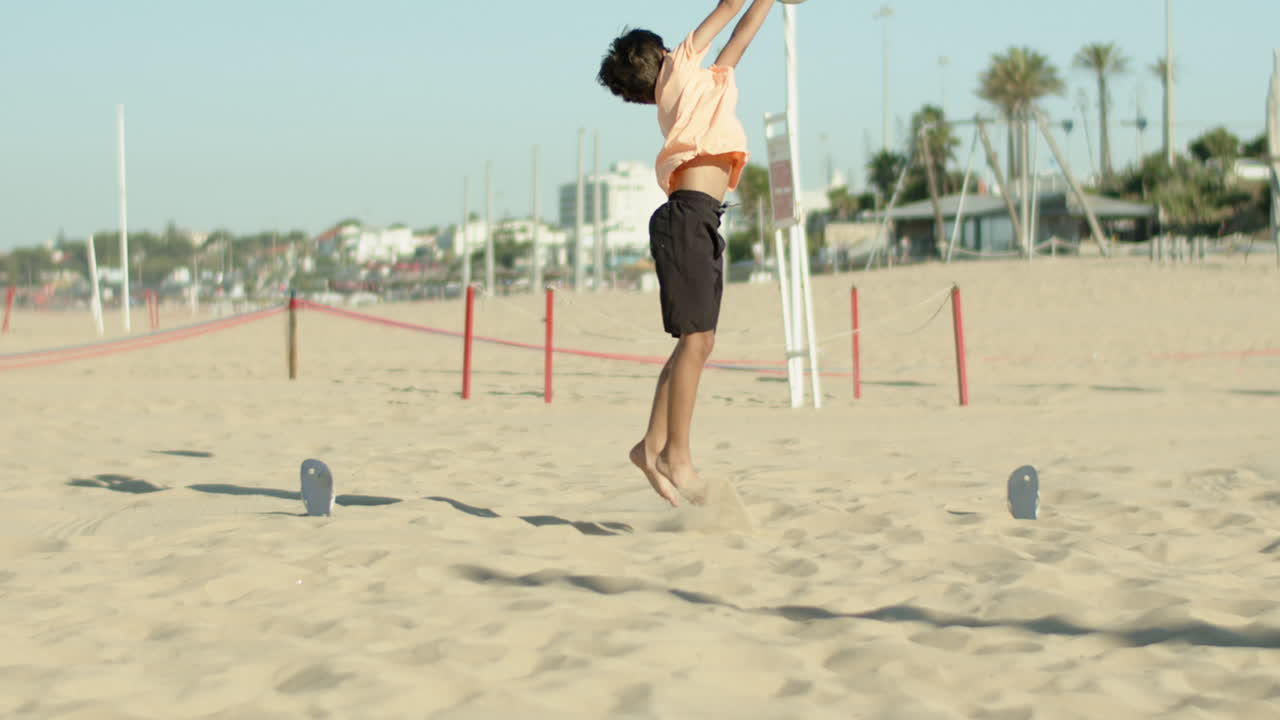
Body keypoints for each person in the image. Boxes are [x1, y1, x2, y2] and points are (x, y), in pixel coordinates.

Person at [597, 0, 775, 506]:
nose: (678, 47)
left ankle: (650, 445)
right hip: (686, 219)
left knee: (696, 344)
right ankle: (677, 455)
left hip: (701, 220)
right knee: (696, 344)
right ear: (659, 60)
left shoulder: (705, 86)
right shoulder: (678, 72)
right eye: (668, 49)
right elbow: (728, 6)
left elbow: (741, 34)